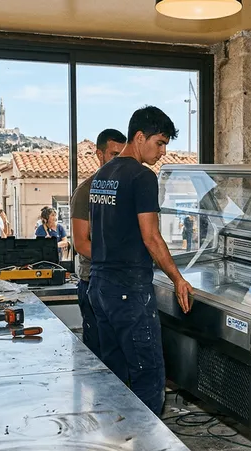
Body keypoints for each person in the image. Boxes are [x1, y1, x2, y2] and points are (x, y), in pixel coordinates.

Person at [89, 106, 194, 415]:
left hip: (100, 287)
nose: (163, 152)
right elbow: (151, 237)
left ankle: (119, 441)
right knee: (149, 375)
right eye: (159, 143)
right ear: (139, 137)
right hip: (129, 290)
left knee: (114, 374)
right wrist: (178, 278)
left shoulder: (101, 175)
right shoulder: (142, 176)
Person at [71, 128, 126, 357]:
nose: (119, 162)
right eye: (114, 155)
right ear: (99, 154)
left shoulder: (129, 189)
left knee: (121, 357)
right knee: (98, 358)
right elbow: (81, 244)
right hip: (93, 282)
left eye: (123, 156)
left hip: (124, 285)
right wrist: (121, 259)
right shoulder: (85, 192)